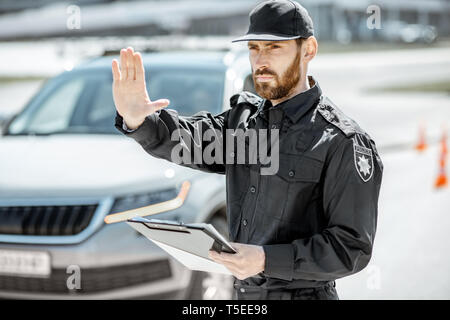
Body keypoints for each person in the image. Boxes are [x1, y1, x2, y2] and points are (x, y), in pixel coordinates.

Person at [112, 0, 383, 300]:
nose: (260, 60)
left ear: (309, 50)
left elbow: (352, 248)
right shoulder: (243, 121)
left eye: (273, 47)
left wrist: (267, 259)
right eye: (254, 47)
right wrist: (140, 120)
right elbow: (189, 140)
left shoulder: (342, 141)